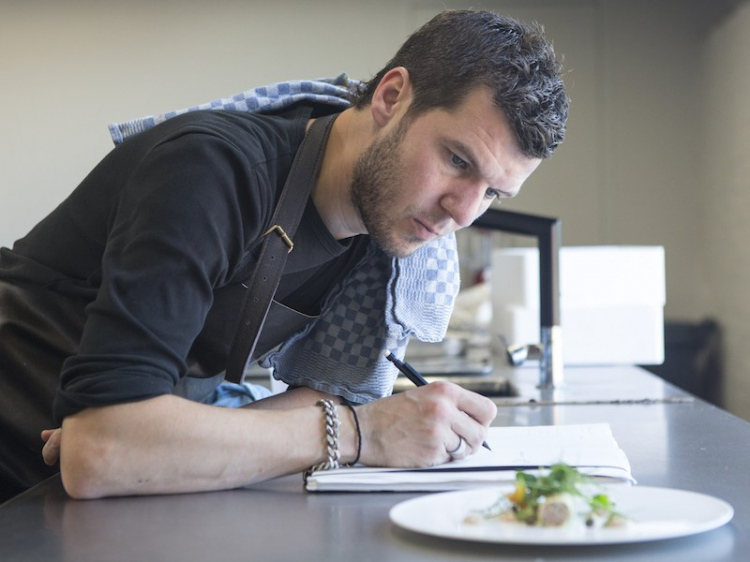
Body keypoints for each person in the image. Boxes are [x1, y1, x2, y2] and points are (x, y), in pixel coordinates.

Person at [0, 9, 568, 502]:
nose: (463, 213)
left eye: (492, 192)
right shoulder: (212, 173)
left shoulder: (385, 235)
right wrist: (359, 434)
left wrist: (152, 441)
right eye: (457, 160)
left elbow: (316, 402)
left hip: (100, 494)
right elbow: (98, 452)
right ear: (392, 98)